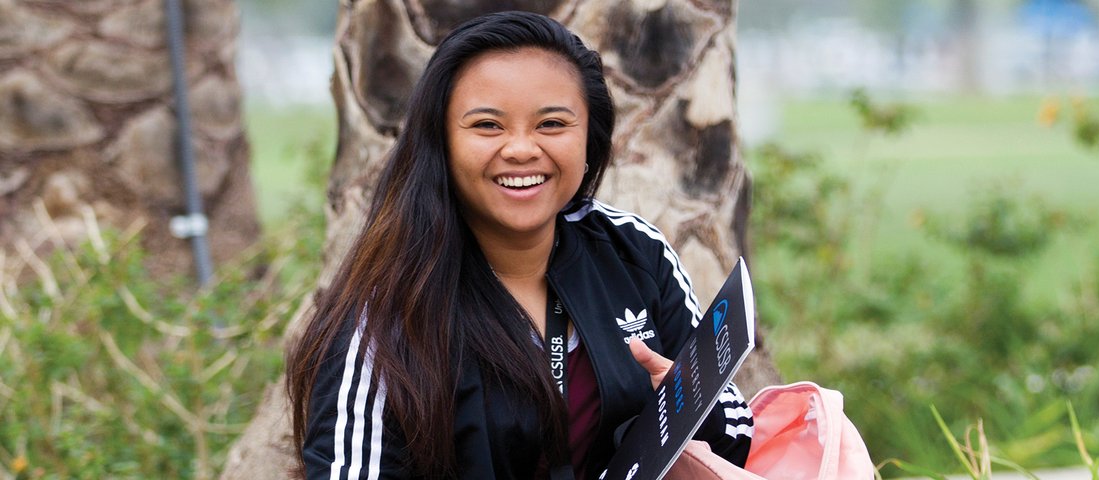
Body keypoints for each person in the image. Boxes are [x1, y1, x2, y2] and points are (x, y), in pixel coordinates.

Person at [287, 11, 753, 480]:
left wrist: (686, 403)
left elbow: (736, 431)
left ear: (590, 137)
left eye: (551, 124)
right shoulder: (387, 306)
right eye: (488, 125)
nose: (521, 149)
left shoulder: (632, 251)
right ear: (441, 141)